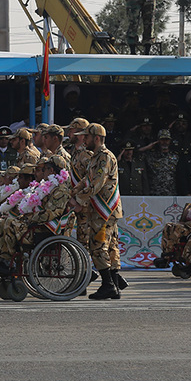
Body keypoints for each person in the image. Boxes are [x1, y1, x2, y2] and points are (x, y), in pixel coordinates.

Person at [69, 123, 125, 300]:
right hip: (101, 209)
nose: (83, 140)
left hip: (105, 210)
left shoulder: (105, 157)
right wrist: (73, 191)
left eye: (86, 137)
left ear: (97, 138)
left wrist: (77, 200)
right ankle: (114, 285)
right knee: (107, 247)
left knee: (98, 245)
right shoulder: (95, 157)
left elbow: (96, 184)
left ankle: (108, 285)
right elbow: (86, 179)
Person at [139, 129, 179, 196]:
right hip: (155, 193)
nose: (165, 142)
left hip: (171, 193)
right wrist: (148, 147)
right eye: (162, 140)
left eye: (167, 140)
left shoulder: (175, 156)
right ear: (158, 141)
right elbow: (136, 154)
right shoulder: (151, 156)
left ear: (170, 141)